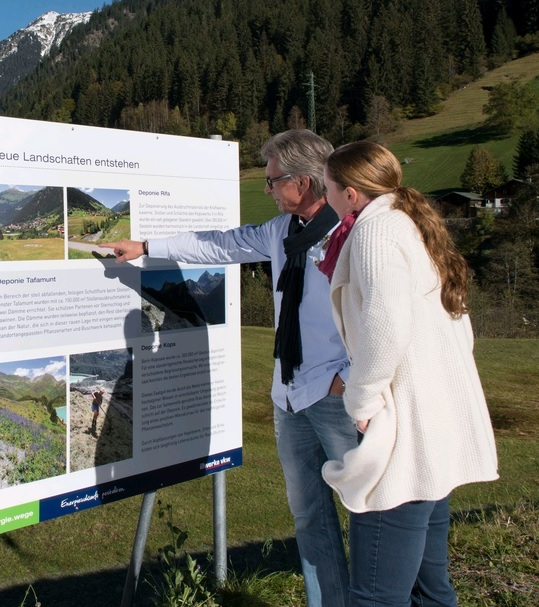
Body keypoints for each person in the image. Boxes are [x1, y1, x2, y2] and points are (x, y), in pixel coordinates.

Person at [102, 129, 355, 607]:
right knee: (309, 517)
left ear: (302, 182)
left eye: (273, 181)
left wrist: (350, 379)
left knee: (368, 513)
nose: (268, 189)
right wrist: (147, 246)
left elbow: (380, 315)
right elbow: (218, 245)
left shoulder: (351, 233)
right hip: (290, 398)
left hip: (338, 399)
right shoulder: (282, 232)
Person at [320, 141, 499, 606]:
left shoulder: (376, 231)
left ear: (350, 193)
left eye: (328, 187)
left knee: (376, 594)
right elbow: (459, 323)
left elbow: (386, 325)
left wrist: (362, 400)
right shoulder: (411, 223)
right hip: (432, 421)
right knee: (429, 586)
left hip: (403, 427)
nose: (326, 196)